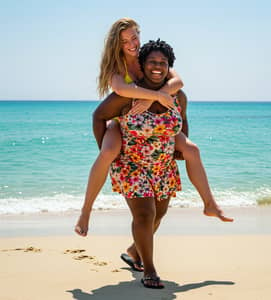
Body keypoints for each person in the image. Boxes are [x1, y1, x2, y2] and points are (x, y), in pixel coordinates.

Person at [75, 18, 233, 267]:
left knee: (191, 149)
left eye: (134, 37)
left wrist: (154, 99)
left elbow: (178, 84)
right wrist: (154, 97)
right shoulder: (117, 68)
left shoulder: (148, 57)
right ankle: (86, 211)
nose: (131, 44)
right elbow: (122, 94)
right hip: (122, 123)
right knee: (108, 154)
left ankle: (209, 204)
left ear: (140, 35)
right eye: (125, 40)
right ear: (116, 44)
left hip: (157, 134)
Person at [91, 39, 187, 288]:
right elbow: (99, 115)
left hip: (162, 164)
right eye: (152, 62)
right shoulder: (126, 96)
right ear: (142, 66)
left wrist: (181, 145)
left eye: (163, 63)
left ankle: (134, 252)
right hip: (131, 165)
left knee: (160, 213)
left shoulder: (178, 96)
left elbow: (182, 118)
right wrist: (107, 149)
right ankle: (150, 269)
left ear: (169, 68)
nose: (158, 67)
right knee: (145, 214)